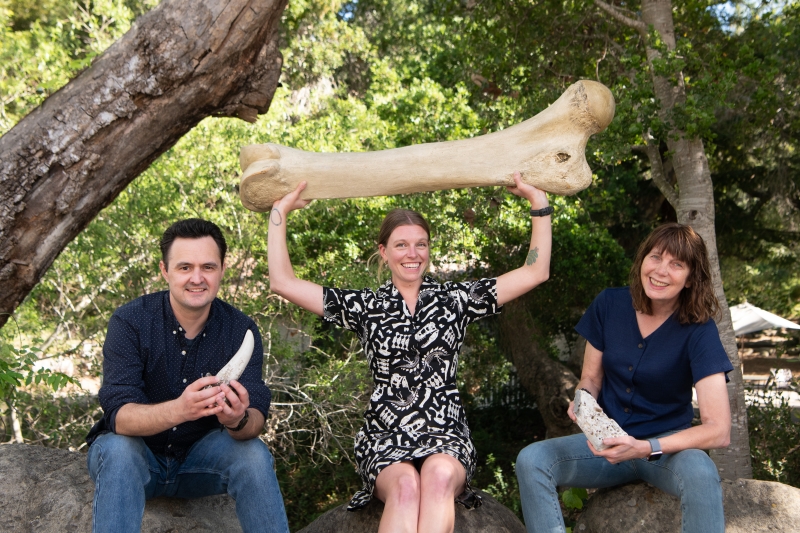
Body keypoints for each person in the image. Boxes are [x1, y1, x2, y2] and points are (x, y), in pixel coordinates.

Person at [267, 172, 551, 533]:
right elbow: (282, 281)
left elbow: (535, 271)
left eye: (421, 244)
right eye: (401, 245)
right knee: (404, 488)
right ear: (383, 252)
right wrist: (280, 212)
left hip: (445, 432)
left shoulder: (456, 301)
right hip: (386, 434)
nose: (413, 254)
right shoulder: (365, 306)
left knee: (437, 479)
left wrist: (538, 203)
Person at [515, 223, 734, 533]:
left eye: (677, 264)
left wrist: (644, 447)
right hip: (607, 447)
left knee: (700, 470)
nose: (661, 270)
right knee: (532, 460)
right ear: (642, 259)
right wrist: (582, 400)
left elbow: (719, 430)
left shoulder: (700, 330)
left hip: (665, 453)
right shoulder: (610, 304)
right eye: (656, 257)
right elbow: (590, 379)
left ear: (690, 279)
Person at [85, 218, 289, 533]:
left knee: (254, 455)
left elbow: (255, 418)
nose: (197, 278)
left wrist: (237, 420)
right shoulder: (130, 321)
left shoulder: (241, 330)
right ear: (164, 271)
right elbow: (120, 416)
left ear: (222, 269)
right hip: (137, 460)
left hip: (201, 463)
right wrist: (182, 408)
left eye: (208, 267)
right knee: (118, 449)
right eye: (184, 268)